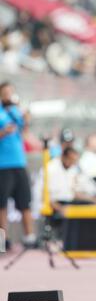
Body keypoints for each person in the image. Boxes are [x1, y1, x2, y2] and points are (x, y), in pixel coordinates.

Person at [0, 81, 37, 249]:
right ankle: (2, 241)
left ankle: (30, 238)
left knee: (24, 202)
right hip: (3, 165)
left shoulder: (15, 111)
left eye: (10, 92)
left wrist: (26, 119)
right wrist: (3, 132)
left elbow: (25, 130)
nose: (8, 95)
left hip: (19, 163)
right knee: (1, 205)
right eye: (5, 92)